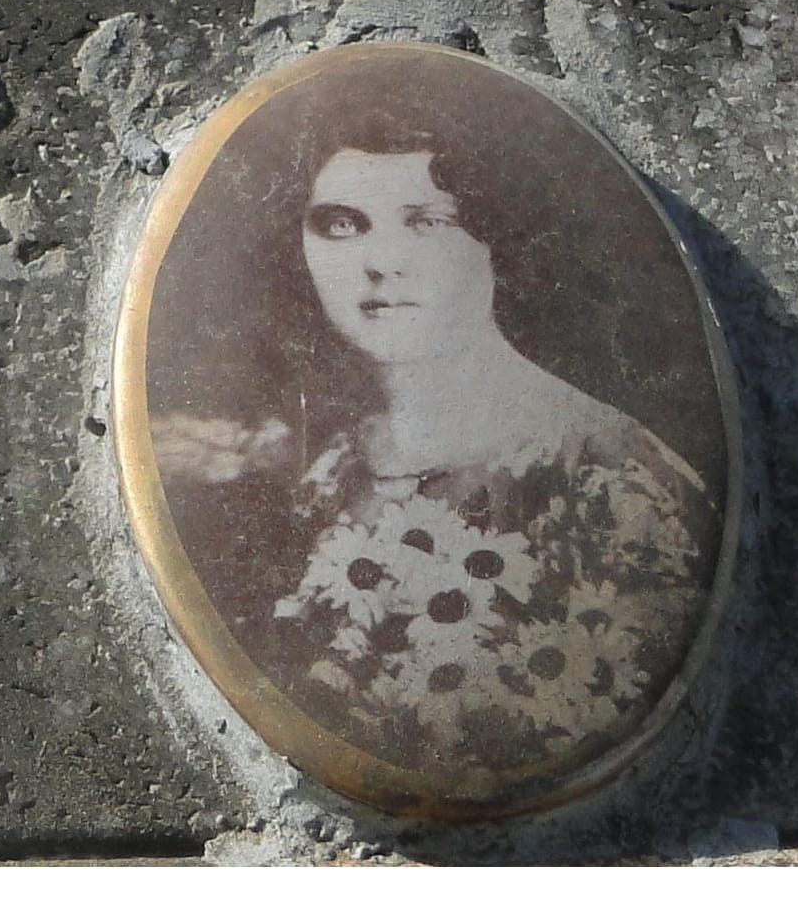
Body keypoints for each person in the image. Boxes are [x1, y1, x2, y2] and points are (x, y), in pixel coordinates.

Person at [149, 63, 721, 774]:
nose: (382, 262)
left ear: (492, 239)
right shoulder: (332, 464)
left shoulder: (607, 474)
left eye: (426, 222)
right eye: (341, 226)